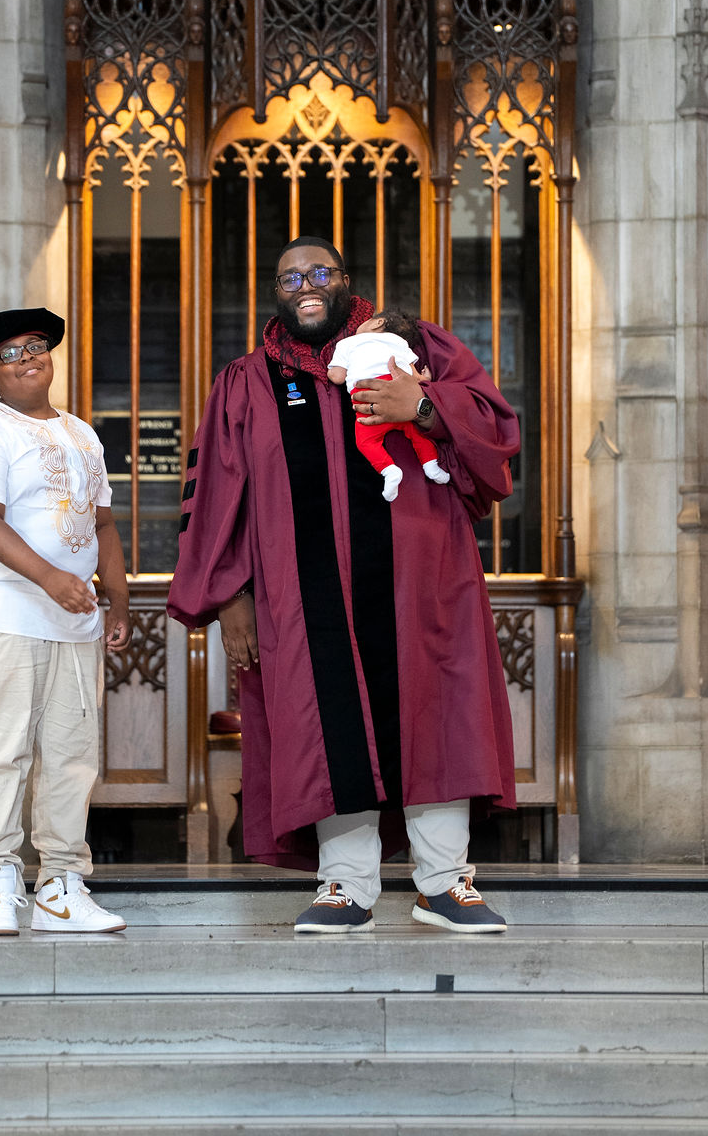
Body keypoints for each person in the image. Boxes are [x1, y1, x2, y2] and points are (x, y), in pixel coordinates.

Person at [167, 240, 520, 934]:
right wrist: (230, 598)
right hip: (303, 597)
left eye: (320, 273)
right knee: (325, 725)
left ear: (345, 281)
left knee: (437, 718)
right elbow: (215, 494)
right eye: (290, 276)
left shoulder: (412, 345)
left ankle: (444, 884)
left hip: (424, 585)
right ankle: (346, 887)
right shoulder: (247, 381)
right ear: (275, 290)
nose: (306, 285)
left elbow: (495, 433)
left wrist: (422, 406)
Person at [0, 307, 133, 937]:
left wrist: (120, 599)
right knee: (6, 749)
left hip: (75, 619)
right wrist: (50, 577)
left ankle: (60, 885)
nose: (29, 358)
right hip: (5, 609)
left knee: (70, 756)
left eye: (36, 346)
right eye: (10, 354)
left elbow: (103, 524)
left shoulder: (82, 432)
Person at [328, 309, 452, 501]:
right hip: (400, 395)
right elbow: (413, 375)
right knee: (417, 434)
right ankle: (431, 465)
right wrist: (425, 378)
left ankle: (389, 471)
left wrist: (326, 370)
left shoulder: (347, 343)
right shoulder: (399, 342)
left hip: (367, 398)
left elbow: (337, 377)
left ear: (378, 323)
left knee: (366, 442)